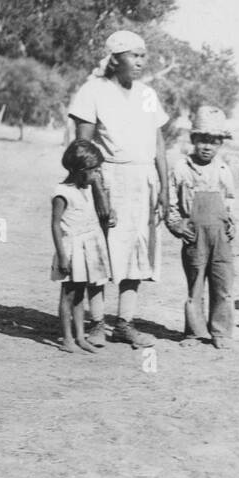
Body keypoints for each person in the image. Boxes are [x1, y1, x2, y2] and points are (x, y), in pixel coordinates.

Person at [67, 30, 172, 348]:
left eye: (143, 56)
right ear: (115, 59)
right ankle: (97, 322)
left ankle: (125, 323)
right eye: (134, 56)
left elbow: (159, 144)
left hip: (143, 181)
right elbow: (82, 147)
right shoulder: (92, 91)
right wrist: (98, 191)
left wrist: (164, 188)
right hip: (106, 179)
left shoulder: (147, 94)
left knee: (136, 253)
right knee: (100, 252)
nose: (140, 62)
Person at [166, 106, 236, 349]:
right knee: (195, 285)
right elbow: (170, 202)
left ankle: (221, 332)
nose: (207, 147)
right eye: (203, 140)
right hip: (194, 235)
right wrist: (176, 224)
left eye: (214, 142)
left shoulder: (224, 170)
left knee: (222, 284)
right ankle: (195, 333)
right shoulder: (181, 168)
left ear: (220, 144)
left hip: (220, 236)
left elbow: (229, 202)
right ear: (193, 139)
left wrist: (231, 224)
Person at [50, 140, 115, 353]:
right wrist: (62, 256)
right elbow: (55, 225)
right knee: (67, 295)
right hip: (70, 250)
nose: (96, 175)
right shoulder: (62, 192)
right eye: (94, 171)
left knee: (80, 295)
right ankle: (67, 338)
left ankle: (80, 336)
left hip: (85, 250)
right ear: (80, 170)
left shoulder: (86, 189)